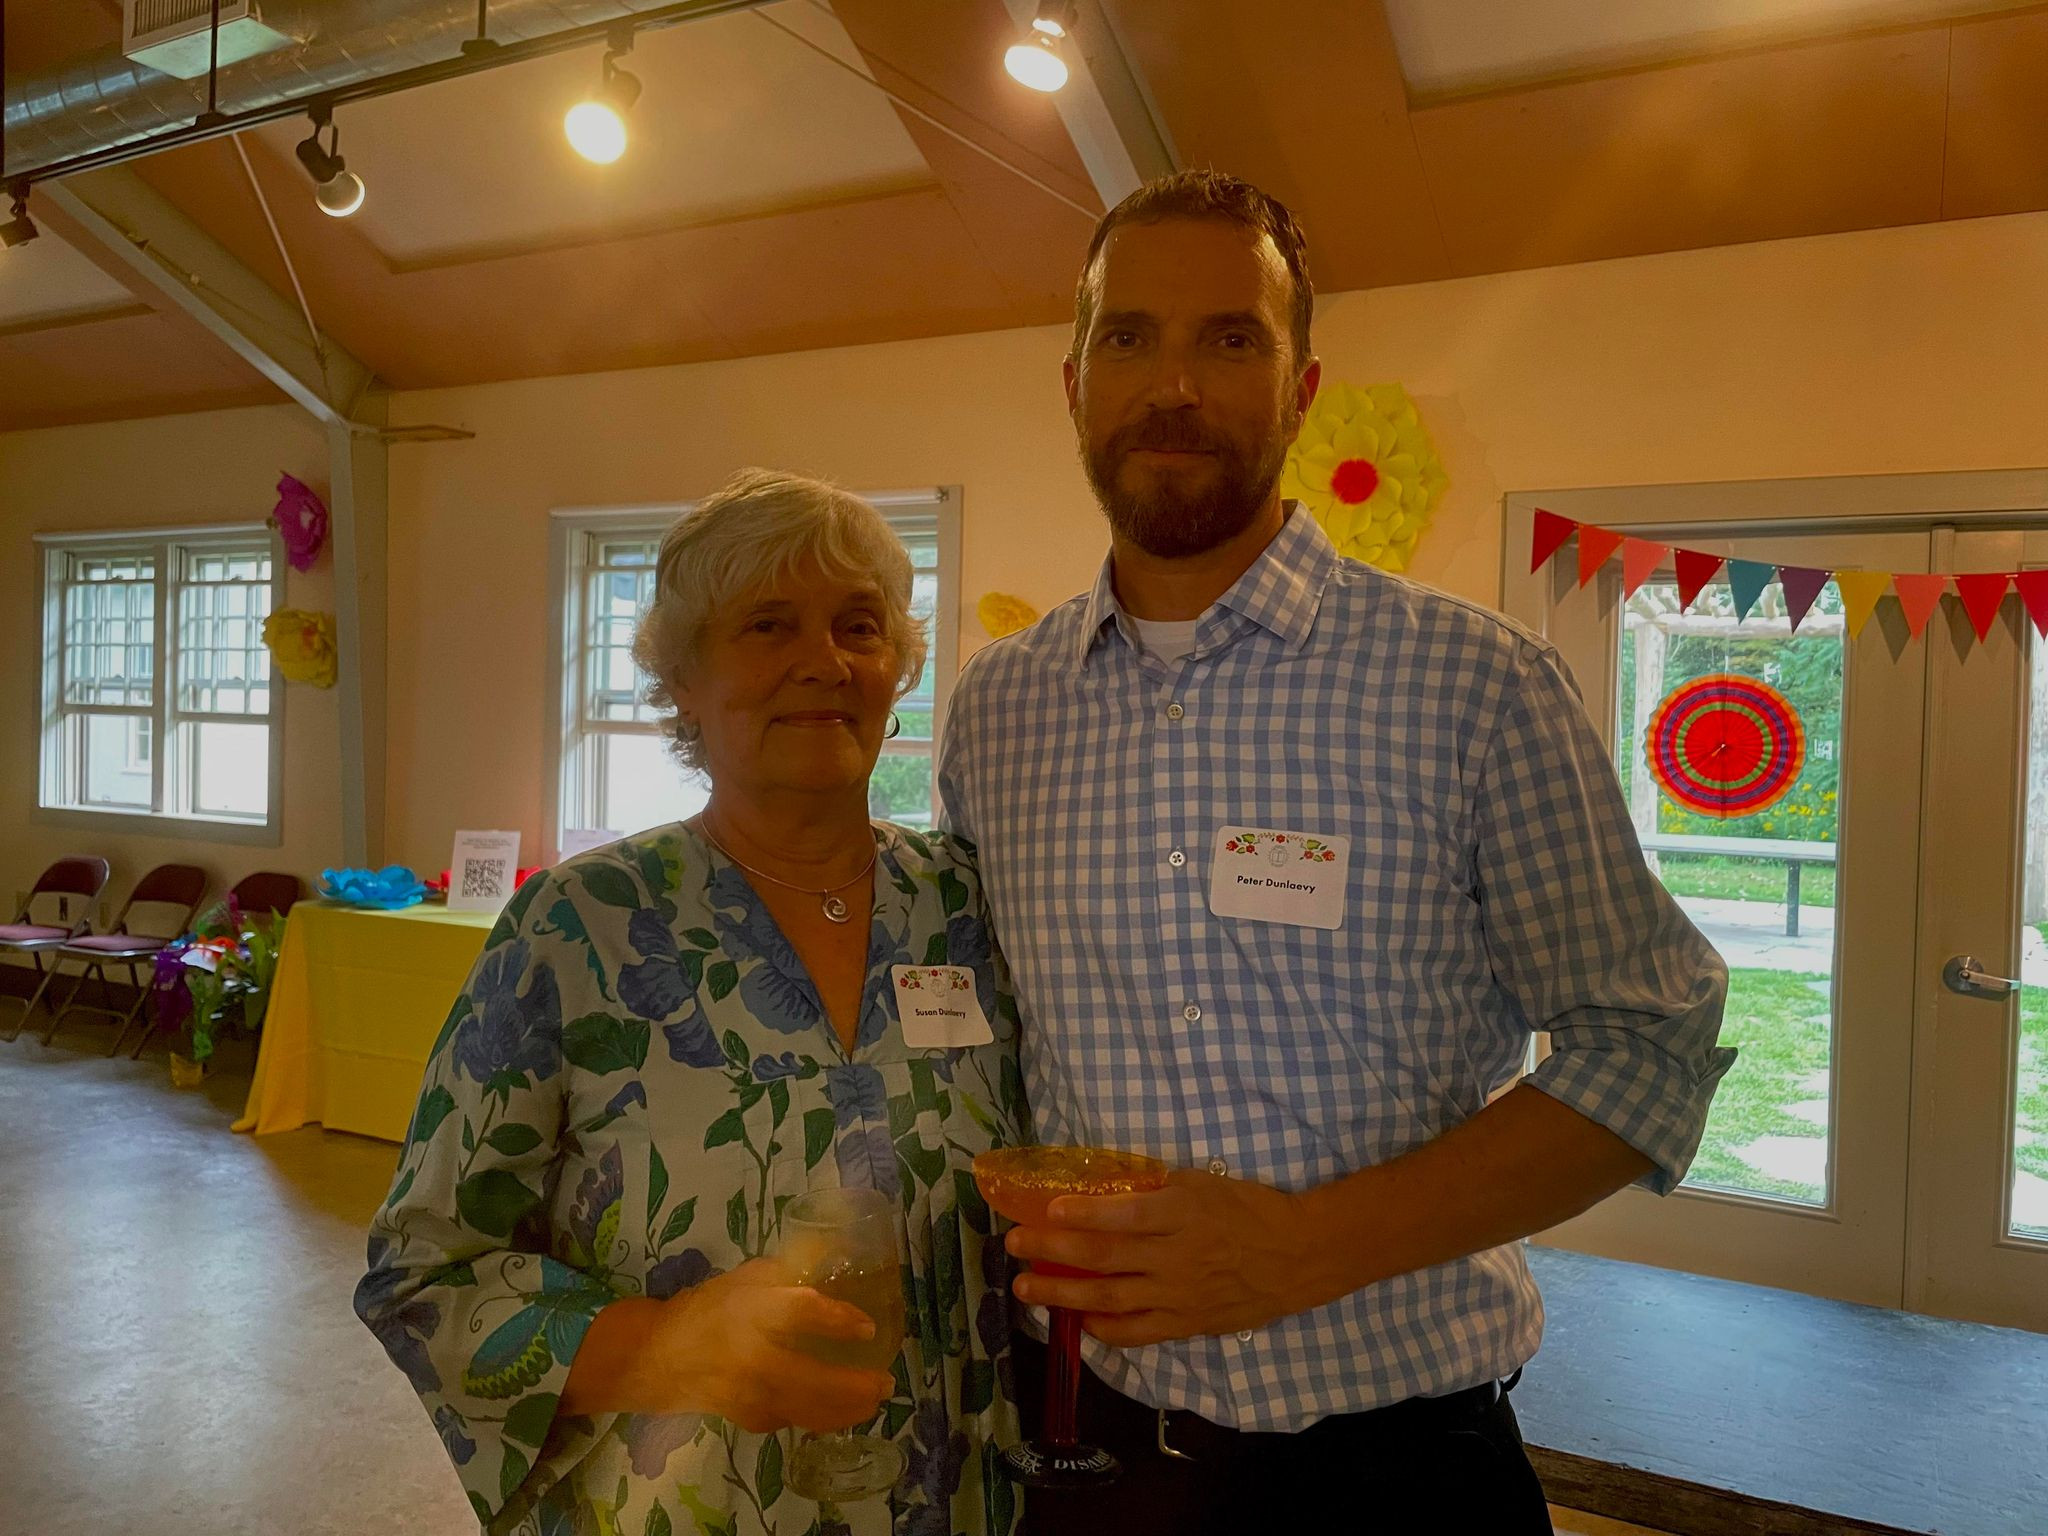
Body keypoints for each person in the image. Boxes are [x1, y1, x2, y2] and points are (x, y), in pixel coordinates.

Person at [937, 171, 1733, 1531]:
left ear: (1302, 388)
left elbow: (1648, 1041)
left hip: (1397, 1472)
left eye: (1229, 338)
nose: (1173, 382)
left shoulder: (1473, 686)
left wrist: (1306, 1248)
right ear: (1073, 382)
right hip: (1087, 1454)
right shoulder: (998, 714)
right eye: (1129, 337)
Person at [358, 470, 1028, 1536]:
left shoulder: (970, 904)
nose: (824, 660)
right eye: (768, 625)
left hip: (958, 1501)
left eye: (859, 626)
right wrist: (661, 1347)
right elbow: (422, 1273)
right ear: (682, 678)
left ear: (896, 669)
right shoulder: (579, 927)